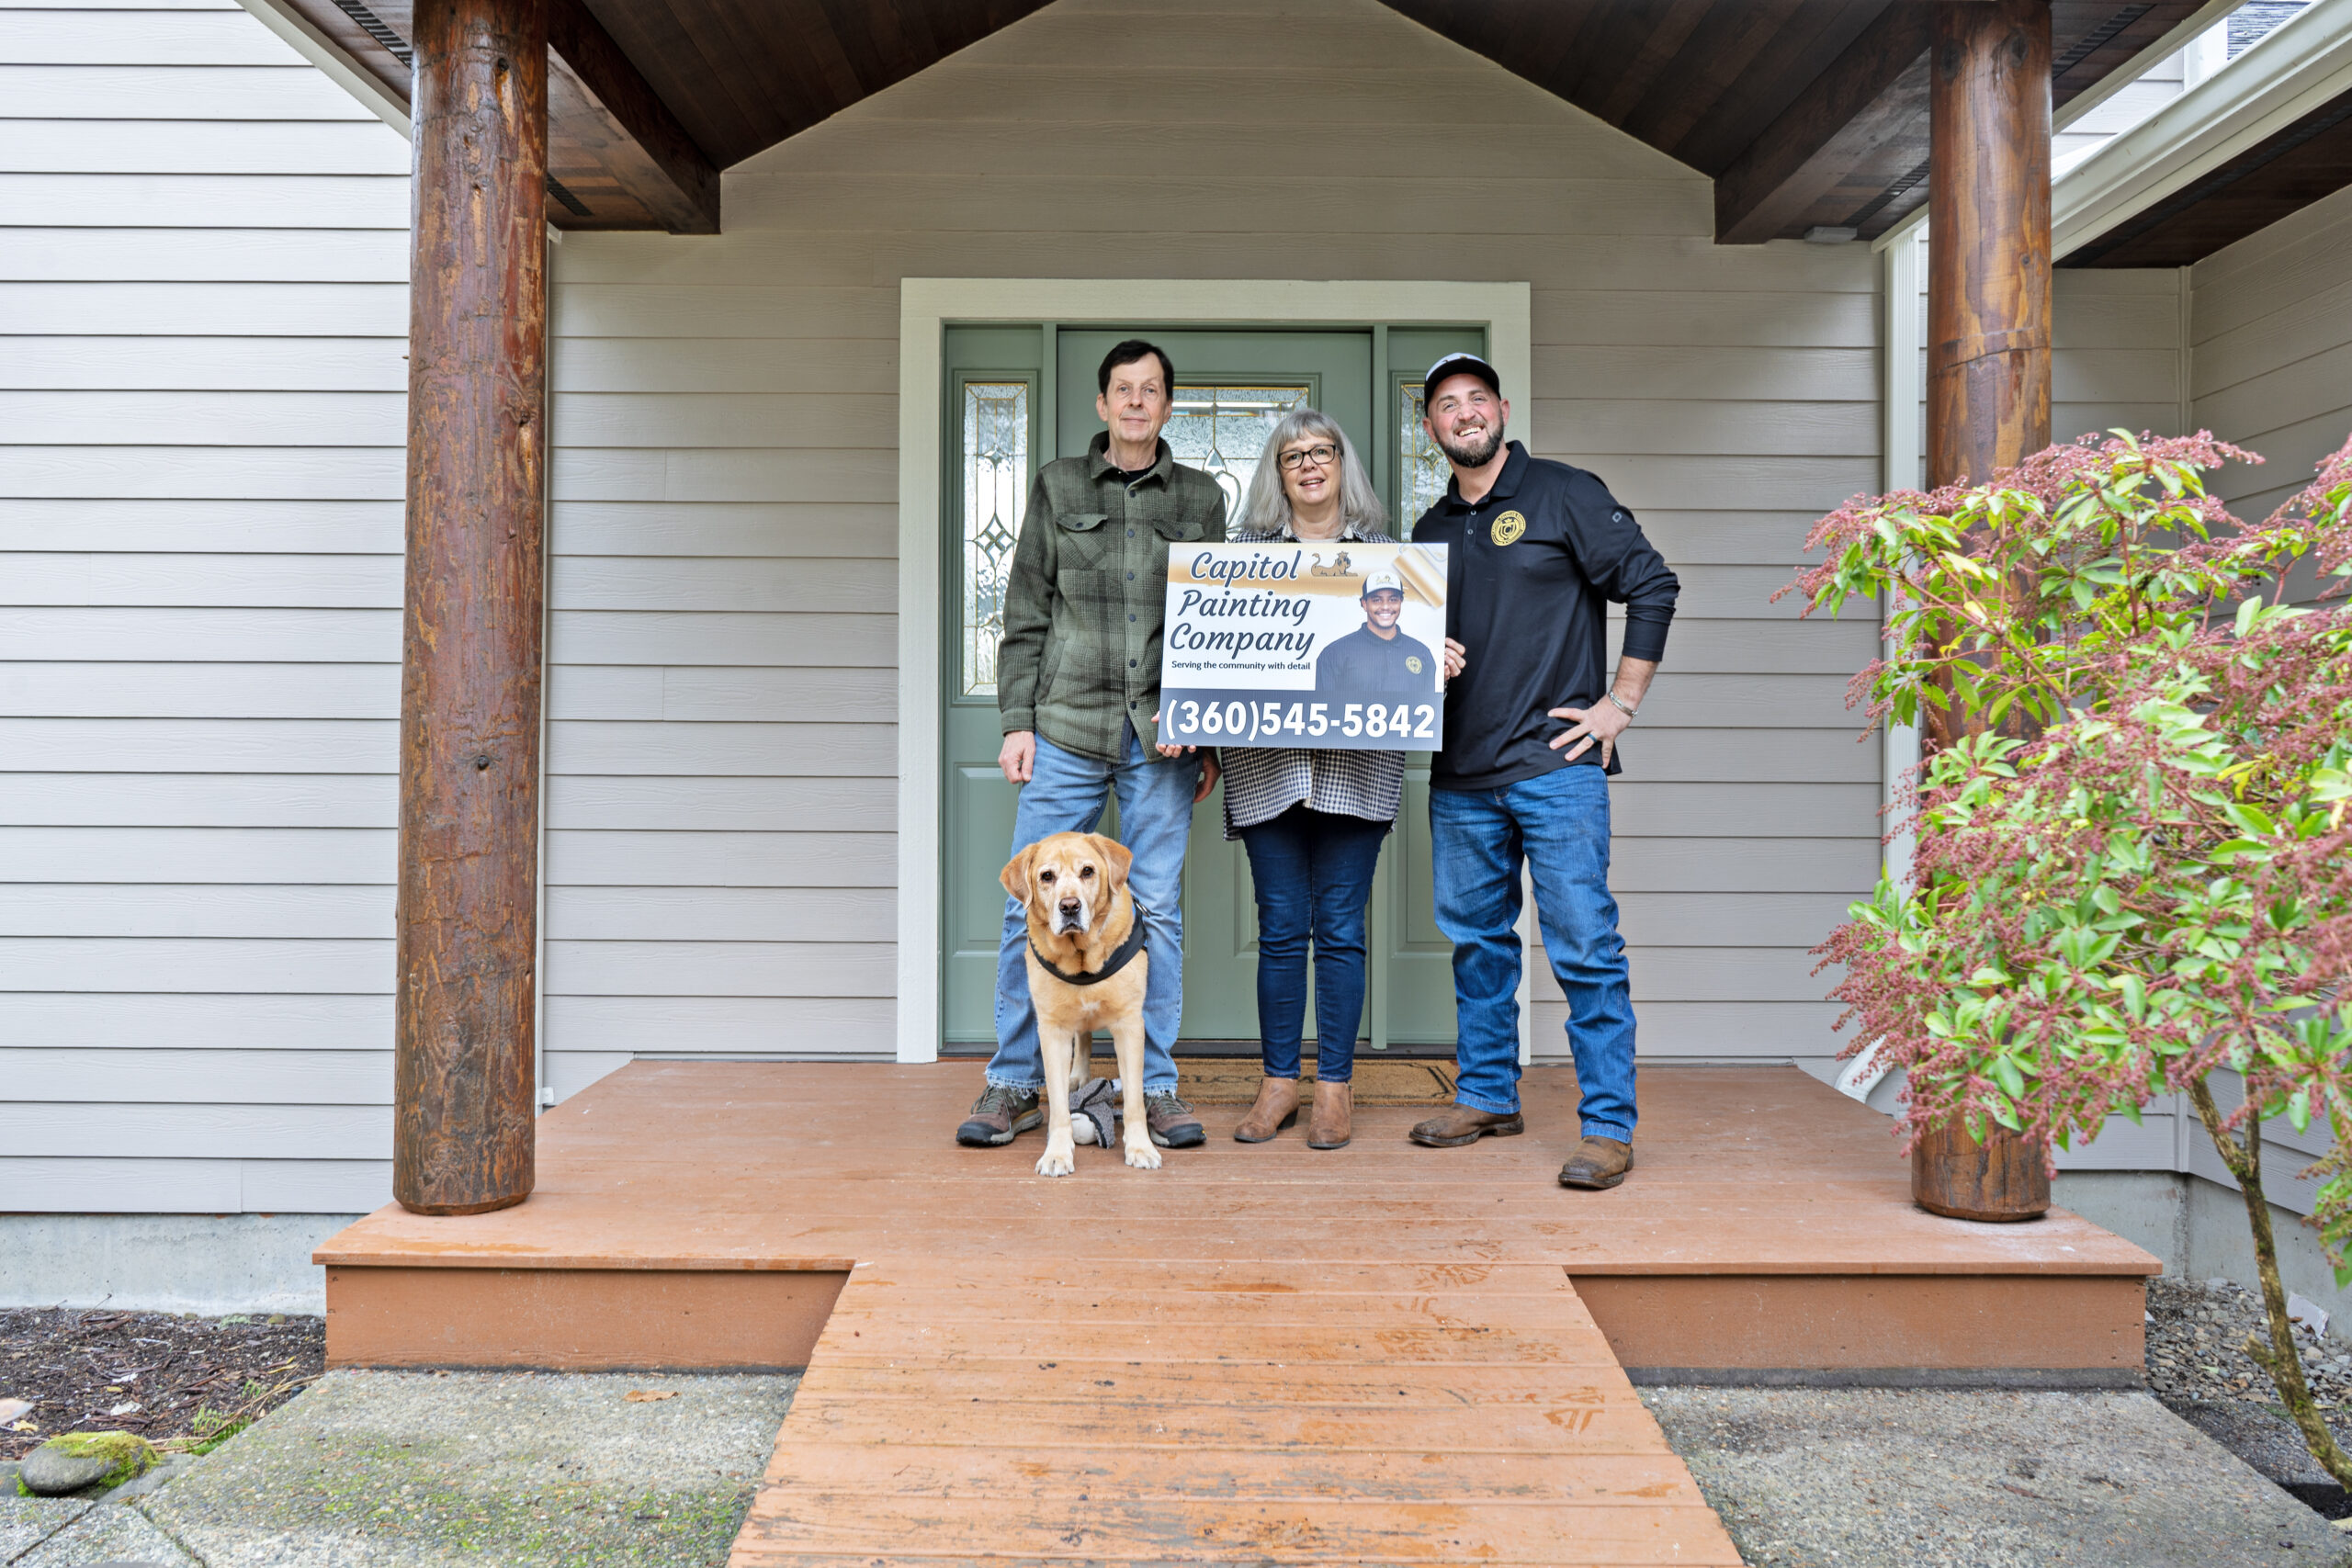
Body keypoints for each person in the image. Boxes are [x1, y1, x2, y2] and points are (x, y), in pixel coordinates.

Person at [1404, 352, 1679, 1191]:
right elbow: (1398, 650)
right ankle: (1488, 1095)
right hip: (1459, 773)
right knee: (1478, 947)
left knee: (1585, 947)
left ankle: (1608, 1127)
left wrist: (1619, 703)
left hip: (1556, 768)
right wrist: (1422, 655)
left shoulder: (1565, 493)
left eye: (1476, 398)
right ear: (1430, 426)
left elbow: (1653, 585)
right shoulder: (1427, 532)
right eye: (1446, 404)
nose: (1464, 413)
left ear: (1501, 409)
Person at [955, 340, 1224, 1153]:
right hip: (1067, 726)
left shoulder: (1202, 497)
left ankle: (1157, 1087)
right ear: (1103, 405)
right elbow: (1025, 608)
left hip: (1163, 736)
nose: (1137, 402)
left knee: (1159, 909)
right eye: (1123, 390)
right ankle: (1014, 1081)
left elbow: (1214, 622)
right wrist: (1017, 721)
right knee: (1029, 904)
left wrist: (1207, 731)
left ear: (1168, 405)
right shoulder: (1057, 486)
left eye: (1152, 390)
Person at [1221, 410, 1464, 1150]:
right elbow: (1213, 654)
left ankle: (1334, 1087)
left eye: (1321, 451)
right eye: (1292, 454)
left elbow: (1411, 657)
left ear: (1341, 463)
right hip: (1266, 768)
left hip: (1358, 772)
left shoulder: (1390, 561)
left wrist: (1437, 657)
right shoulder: (1241, 557)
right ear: (1277, 472)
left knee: (1340, 929)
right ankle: (1277, 1084)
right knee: (1279, 929)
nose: (1309, 465)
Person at [1315, 568, 1439, 694]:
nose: (1385, 606)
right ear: (1364, 604)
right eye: (1377, 600)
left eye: (1393, 599)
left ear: (1401, 602)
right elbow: (1324, 705)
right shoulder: (1334, 654)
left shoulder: (1421, 653)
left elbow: (1431, 705)